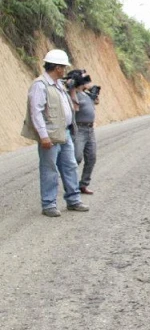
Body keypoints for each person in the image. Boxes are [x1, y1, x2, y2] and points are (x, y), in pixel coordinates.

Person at [20, 49, 90, 217]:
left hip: (63, 133)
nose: (64, 70)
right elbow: (36, 112)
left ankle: (73, 200)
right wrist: (43, 136)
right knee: (49, 169)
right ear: (57, 68)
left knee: (70, 166)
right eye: (63, 67)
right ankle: (49, 204)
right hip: (50, 135)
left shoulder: (58, 84)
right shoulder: (40, 85)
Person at [69, 69, 99, 194]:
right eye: (84, 78)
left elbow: (96, 102)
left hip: (90, 130)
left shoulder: (86, 94)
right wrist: (72, 89)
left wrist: (94, 93)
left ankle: (83, 184)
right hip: (79, 129)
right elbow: (74, 107)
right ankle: (71, 183)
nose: (87, 80)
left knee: (91, 157)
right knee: (77, 157)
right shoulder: (72, 94)